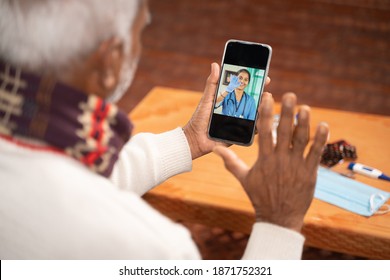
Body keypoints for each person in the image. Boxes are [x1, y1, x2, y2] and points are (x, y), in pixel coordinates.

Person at [0, 0, 329, 259]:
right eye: (139, 32)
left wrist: (187, 140)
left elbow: (61, 182)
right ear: (109, 63)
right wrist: (278, 223)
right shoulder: (152, 248)